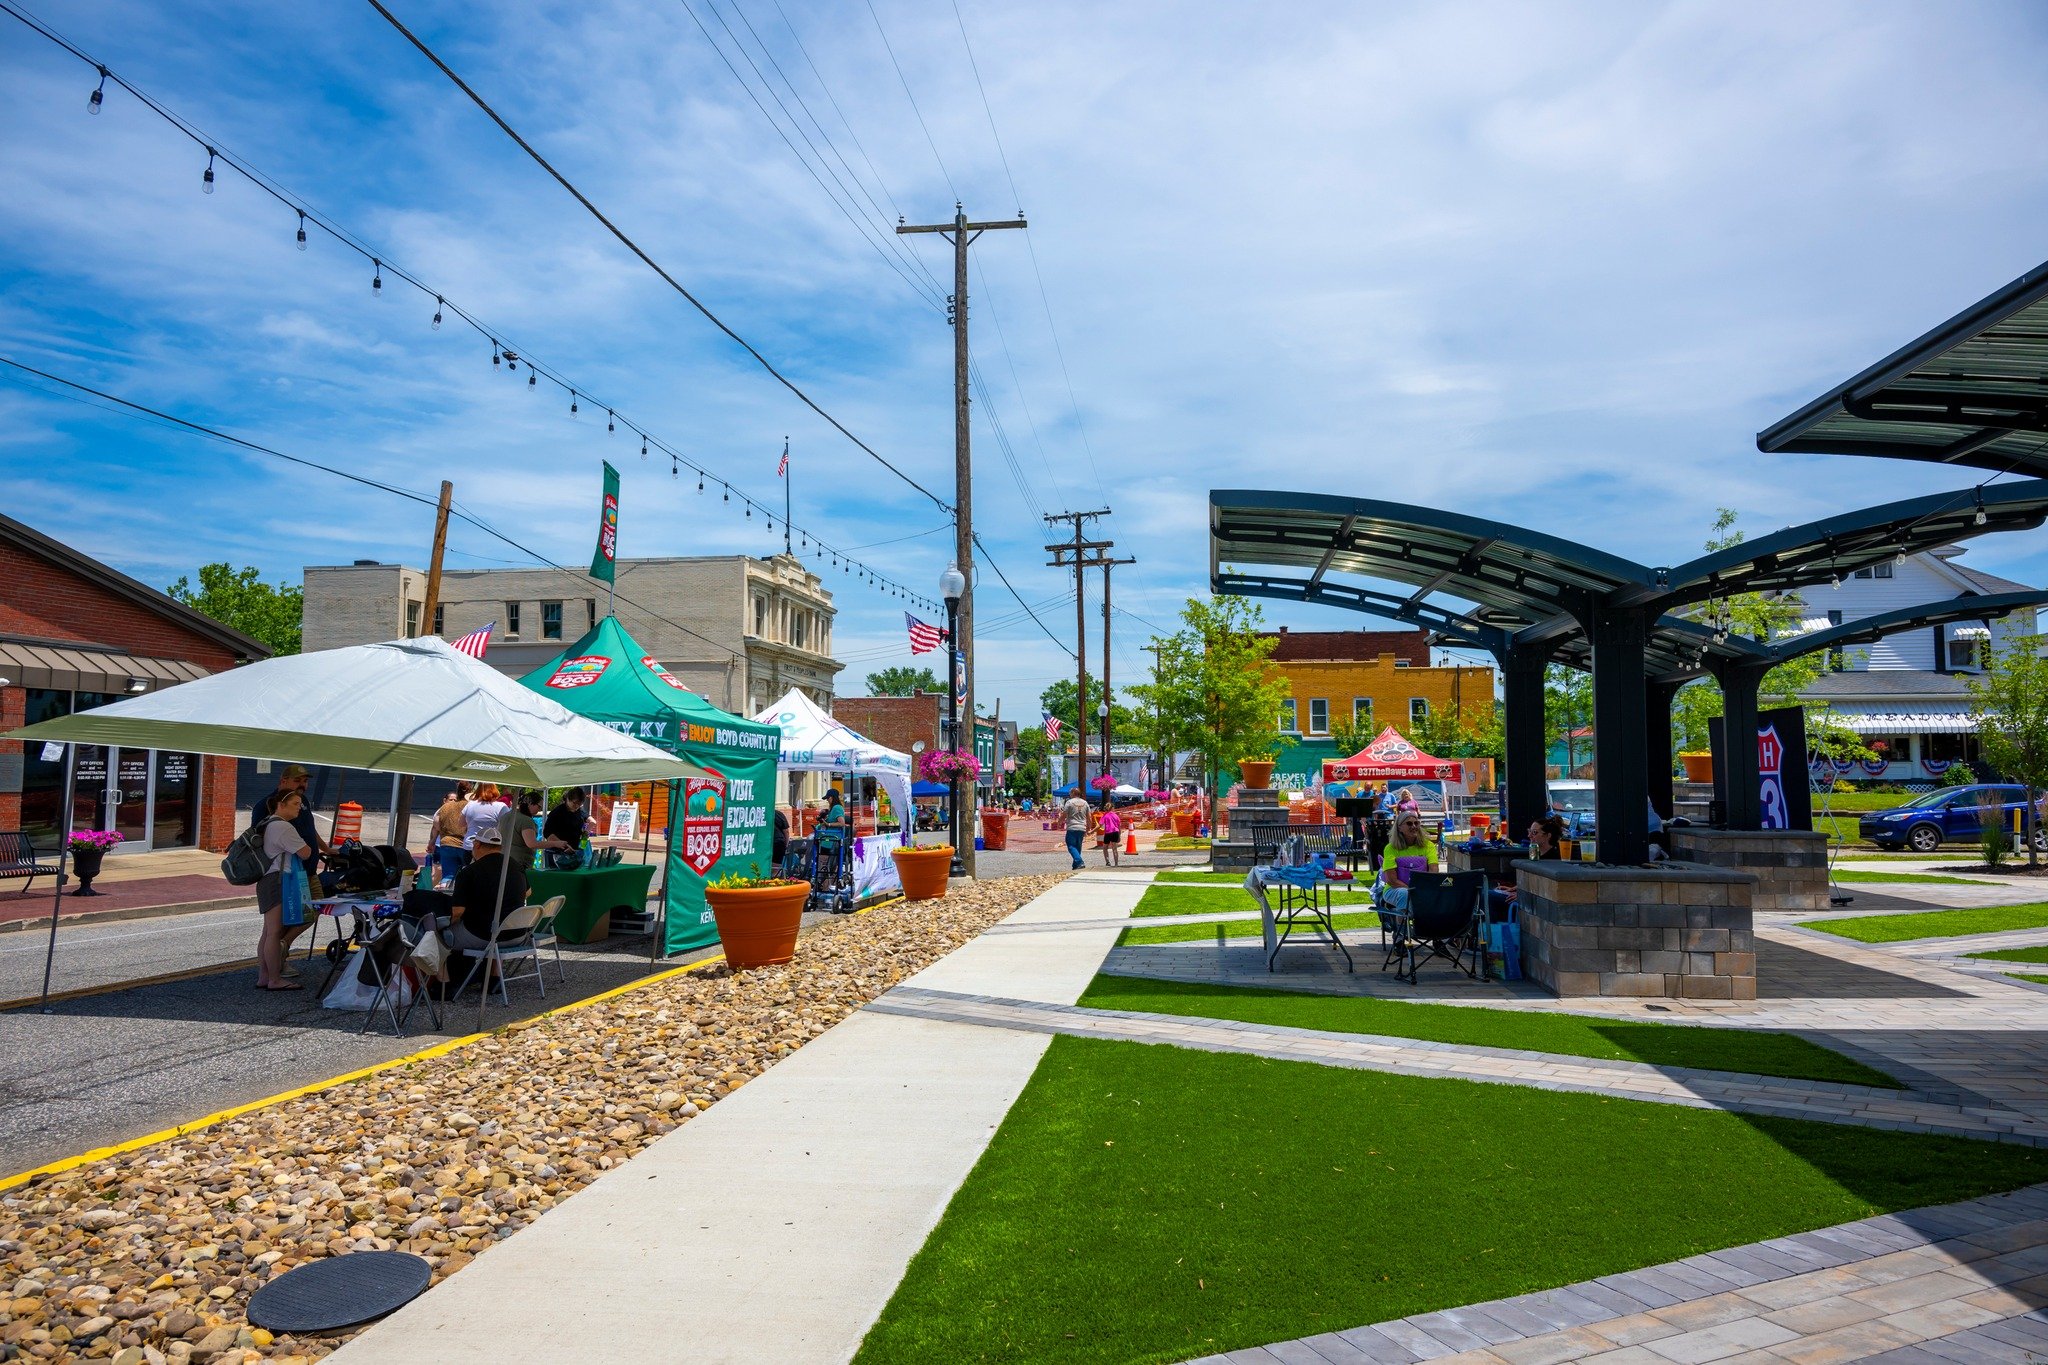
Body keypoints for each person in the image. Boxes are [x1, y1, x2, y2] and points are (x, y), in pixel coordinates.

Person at [251, 763, 324, 953]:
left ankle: (282, 948)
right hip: (286, 874)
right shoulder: (266, 805)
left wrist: (326, 849)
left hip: (307, 871)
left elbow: (310, 830)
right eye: (297, 780)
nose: (302, 785)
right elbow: (257, 836)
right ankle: (275, 965)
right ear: (283, 781)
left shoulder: (303, 801)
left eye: (305, 781)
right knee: (278, 926)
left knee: (313, 909)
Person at [441, 824, 530, 961]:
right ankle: (493, 975)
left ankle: (444, 980)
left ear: (476, 845)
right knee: (494, 922)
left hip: (484, 936)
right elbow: (528, 892)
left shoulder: (469, 872)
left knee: (436, 936)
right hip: (518, 934)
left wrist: (440, 925)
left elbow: (457, 912)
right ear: (499, 847)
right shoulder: (515, 865)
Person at [254, 790, 311, 991]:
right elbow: (305, 853)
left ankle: (264, 976)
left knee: (268, 931)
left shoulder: (267, 823)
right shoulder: (283, 827)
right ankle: (275, 979)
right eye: (295, 803)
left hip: (267, 880)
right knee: (274, 933)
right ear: (281, 804)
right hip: (277, 881)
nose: (299, 807)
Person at [1376, 810, 1434, 911]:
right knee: (1404, 894)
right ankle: (1402, 925)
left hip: (1422, 889)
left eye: (1416, 823)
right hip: (1394, 889)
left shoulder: (1428, 846)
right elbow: (1391, 880)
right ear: (1399, 827)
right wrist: (1413, 891)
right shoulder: (1391, 848)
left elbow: (1434, 872)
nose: (1414, 826)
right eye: (1409, 823)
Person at [430, 783, 471, 889]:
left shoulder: (445, 807)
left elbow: (436, 824)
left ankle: (445, 896)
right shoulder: (470, 806)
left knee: (447, 875)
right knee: (466, 877)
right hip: (463, 845)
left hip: (446, 843)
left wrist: (433, 841)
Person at [540, 788, 590, 869]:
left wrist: (584, 832)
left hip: (573, 852)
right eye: (575, 803)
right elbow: (548, 834)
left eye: (579, 804)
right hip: (556, 854)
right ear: (568, 799)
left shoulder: (579, 812)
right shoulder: (557, 812)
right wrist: (564, 845)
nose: (577, 806)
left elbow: (584, 825)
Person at [500, 789, 543, 870]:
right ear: (530, 803)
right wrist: (555, 844)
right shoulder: (526, 820)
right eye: (539, 806)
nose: (539, 810)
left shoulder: (506, 816)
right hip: (519, 864)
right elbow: (531, 844)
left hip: (502, 861)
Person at [462, 785, 508, 854]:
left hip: (470, 844)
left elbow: (461, 823)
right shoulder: (501, 807)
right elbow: (508, 825)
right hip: (490, 846)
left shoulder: (470, 804)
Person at [1060, 789, 1092, 870]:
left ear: (1073, 793)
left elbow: (1064, 814)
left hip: (1072, 827)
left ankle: (1079, 861)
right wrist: (1089, 827)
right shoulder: (1085, 803)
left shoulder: (1069, 802)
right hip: (1082, 827)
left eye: (1070, 793)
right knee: (1078, 846)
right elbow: (1089, 817)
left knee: (1071, 845)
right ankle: (1076, 865)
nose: (1069, 794)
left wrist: (1059, 822)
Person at [1097, 802, 1123, 867]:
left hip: (1108, 833)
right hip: (1115, 832)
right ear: (1112, 808)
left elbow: (1099, 825)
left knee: (1105, 847)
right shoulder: (1115, 815)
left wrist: (1092, 831)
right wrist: (1119, 835)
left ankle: (1107, 862)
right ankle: (1116, 864)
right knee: (1114, 849)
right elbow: (1119, 826)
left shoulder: (1105, 815)